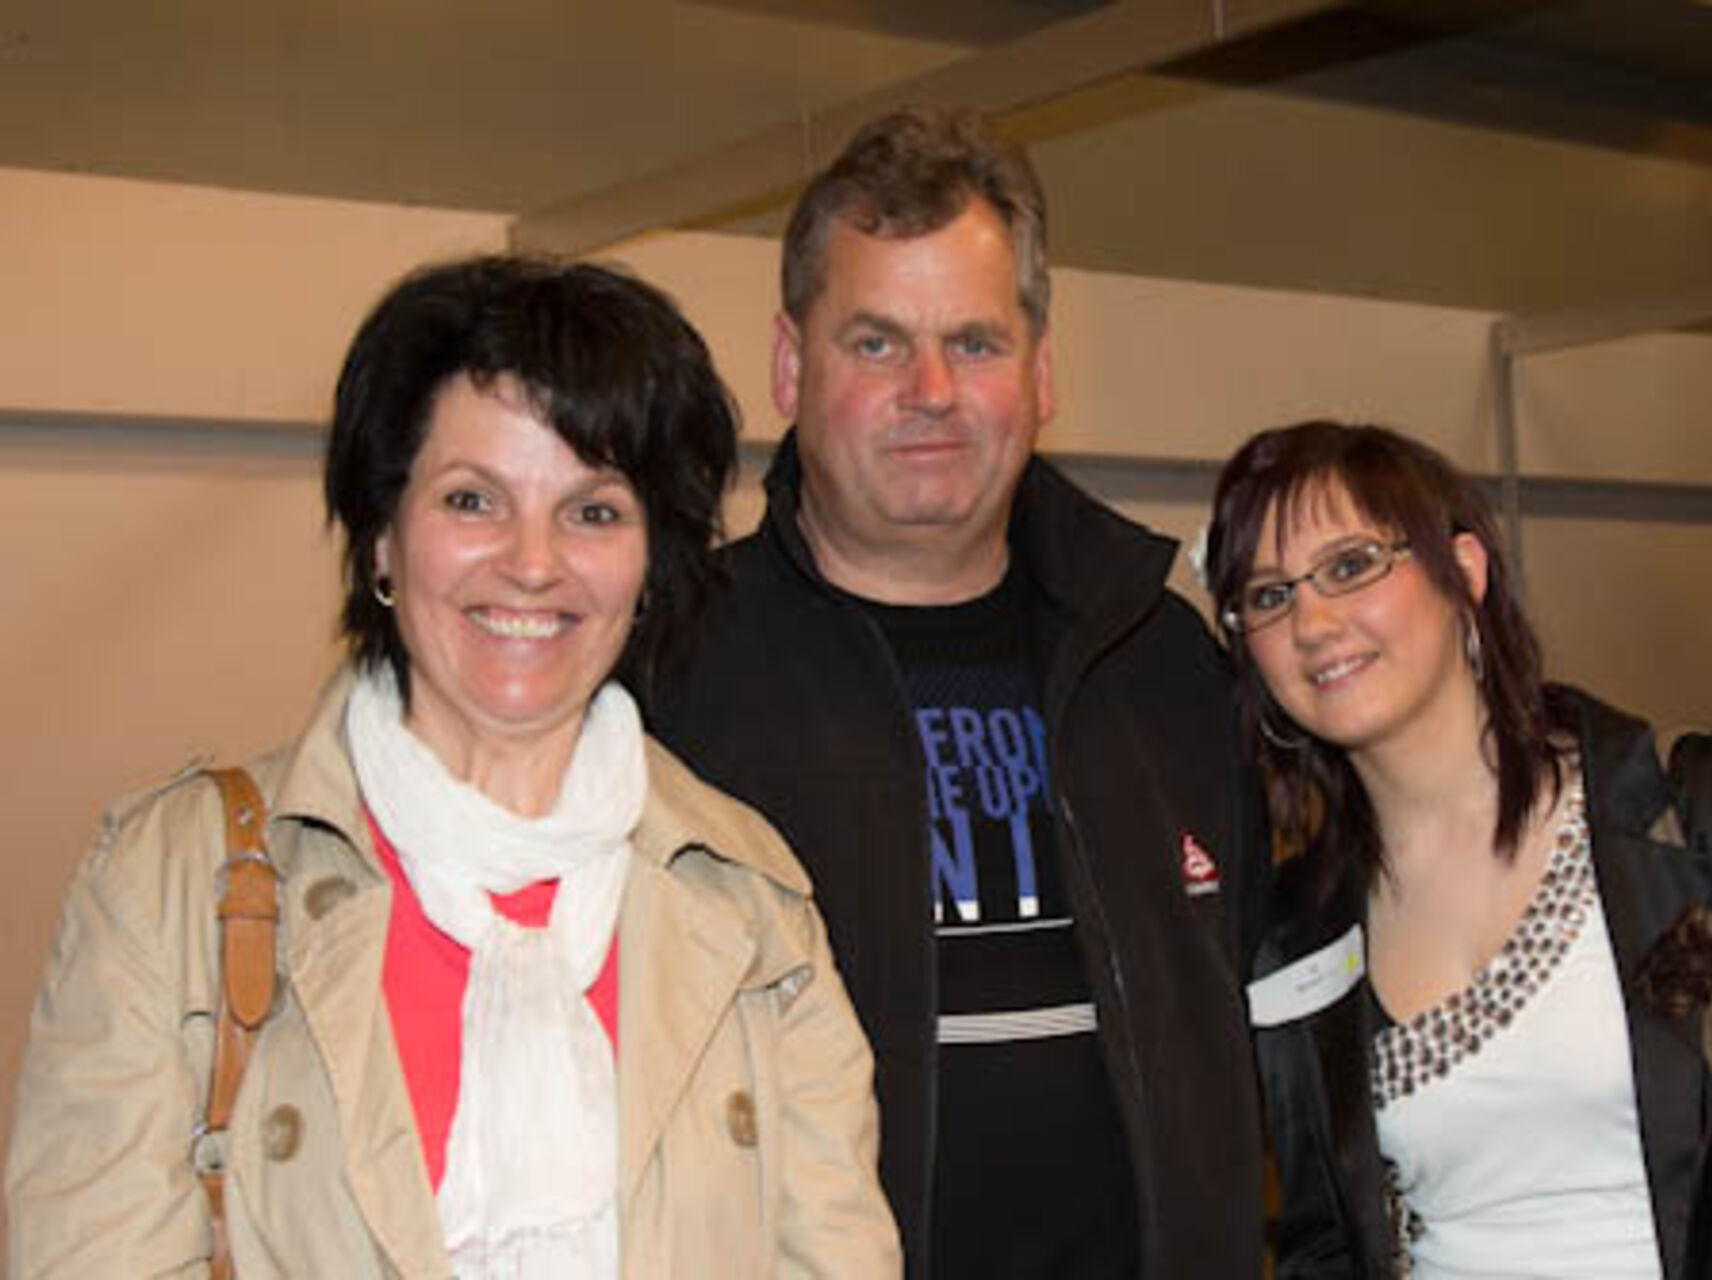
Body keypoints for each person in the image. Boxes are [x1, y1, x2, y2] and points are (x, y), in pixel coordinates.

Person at [7, 255, 900, 1278]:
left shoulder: (754, 904)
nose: (533, 561)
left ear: (653, 564)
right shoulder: (170, 886)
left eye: (594, 511)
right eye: (473, 500)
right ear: (382, 539)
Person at [650, 107, 1270, 1277]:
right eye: (876, 342)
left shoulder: (1163, 666)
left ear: (1042, 371)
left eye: (975, 343)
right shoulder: (671, 682)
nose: (931, 389)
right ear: (790, 365)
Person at [1204, 419, 1712, 1277]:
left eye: (1351, 565)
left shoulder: (1710, 812)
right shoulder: (1297, 933)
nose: (1312, 621)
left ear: (1463, 571)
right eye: (1269, 597)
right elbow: (1324, 1245)